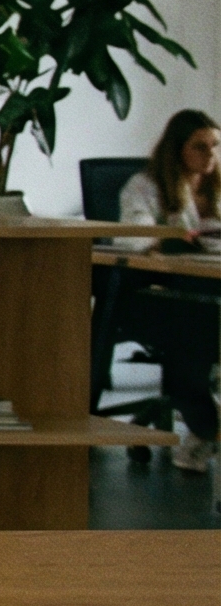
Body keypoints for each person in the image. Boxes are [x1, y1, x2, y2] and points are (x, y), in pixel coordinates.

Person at [117, 109, 220, 469]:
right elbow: (135, 237)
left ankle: (202, 427)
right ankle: (204, 423)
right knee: (198, 329)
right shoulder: (143, 186)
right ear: (177, 149)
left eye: (215, 146)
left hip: (207, 292)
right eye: (200, 147)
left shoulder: (215, 187)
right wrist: (172, 240)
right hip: (156, 295)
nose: (210, 155)